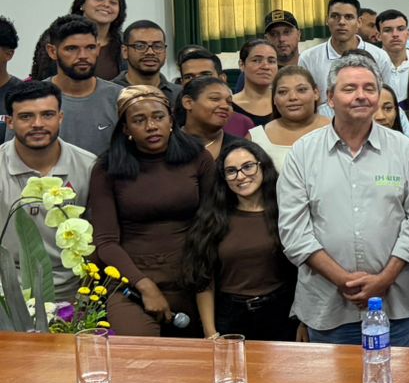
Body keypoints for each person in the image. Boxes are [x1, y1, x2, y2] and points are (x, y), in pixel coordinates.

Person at [278, 55, 409, 345]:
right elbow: (295, 233)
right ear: (330, 98)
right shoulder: (303, 153)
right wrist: (345, 281)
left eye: (369, 88)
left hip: (395, 305)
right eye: (350, 89)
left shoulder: (404, 150)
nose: (361, 96)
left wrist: (383, 280)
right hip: (328, 307)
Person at [87, 86, 212, 337]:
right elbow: (106, 242)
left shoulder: (198, 157)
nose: (151, 126)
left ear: (171, 120)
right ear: (125, 129)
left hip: (194, 280)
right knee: (137, 360)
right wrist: (144, 286)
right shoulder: (107, 168)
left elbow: (212, 221)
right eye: (139, 120)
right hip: (132, 283)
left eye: (158, 117)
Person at [183, 140, 297, 341]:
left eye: (248, 167)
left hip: (281, 312)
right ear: (224, 178)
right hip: (230, 315)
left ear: (263, 166)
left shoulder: (285, 212)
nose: (241, 176)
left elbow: (301, 273)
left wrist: (302, 320)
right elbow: (203, 280)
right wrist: (210, 333)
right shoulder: (212, 219)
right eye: (231, 171)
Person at [0, 83, 97, 292]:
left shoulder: (88, 166)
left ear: (60, 118)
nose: (37, 124)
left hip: (73, 288)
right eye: (26, 117)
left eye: (47, 115)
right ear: (9, 122)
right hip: (8, 290)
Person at [42, 15, 123, 157]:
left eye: (90, 47)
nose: (83, 56)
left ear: (98, 48)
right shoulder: (32, 100)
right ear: (52, 51)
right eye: (72, 48)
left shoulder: (119, 98)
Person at [296, 0, 394, 97]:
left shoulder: (380, 57)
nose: (341, 22)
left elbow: (387, 98)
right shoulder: (308, 58)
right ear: (327, 20)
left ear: (359, 22)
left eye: (348, 17)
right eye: (335, 16)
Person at [30, 0, 126, 82]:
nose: (106, 5)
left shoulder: (125, 42)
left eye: (113, 2)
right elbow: (41, 76)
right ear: (82, 4)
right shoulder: (56, 35)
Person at [248, 66, 328, 167]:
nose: (293, 97)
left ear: (316, 93)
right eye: (283, 92)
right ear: (274, 99)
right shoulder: (256, 138)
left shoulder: (339, 131)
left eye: (301, 90)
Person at [225, 37, 279, 133]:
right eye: (257, 60)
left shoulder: (285, 102)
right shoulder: (227, 106)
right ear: (242, 65)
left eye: (271, 61)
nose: (265, 66)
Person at [179, 75, 237, 162]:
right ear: (188, 102)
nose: (225, 106)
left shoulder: (240, 148)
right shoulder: (165, 145)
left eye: (229, 102)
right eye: (215, 99)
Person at [114, 20, 175, 93]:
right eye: (140, 46)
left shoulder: (180, 94)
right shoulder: (107, 93)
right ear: (125, 51)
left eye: (157, 46)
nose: (150, 52)